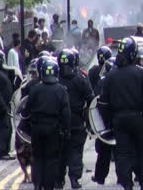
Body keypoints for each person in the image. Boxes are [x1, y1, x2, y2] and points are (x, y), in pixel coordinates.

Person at [99, 37, 143, 190]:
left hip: (118, 120)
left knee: (123, 153)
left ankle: (126, 184)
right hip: (138, 118)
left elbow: (103, 102)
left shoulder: (110, 75)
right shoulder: (140, 73)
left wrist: (108, 121)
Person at [21, 59, 71, 190]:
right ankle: (48, 186)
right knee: (51, 159)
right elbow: (66, 113)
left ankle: (37, 185)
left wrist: (24, 127)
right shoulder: (61, 90)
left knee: (38, 158)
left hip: (37, 129)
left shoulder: (35, 89)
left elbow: (26, 111)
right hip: (53, 129)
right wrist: (66, 130)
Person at [56, 49, 94, 189]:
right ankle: (74, 179)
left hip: (59, 121)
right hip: (76, 120)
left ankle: (58, 179)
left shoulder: (55, 78)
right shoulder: (81, 78)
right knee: (76, 151)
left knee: (60, 151)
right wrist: (90, 121)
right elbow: (91, 99)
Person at [91, 57, 116, 185]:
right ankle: (123, 177)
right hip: (116, 120)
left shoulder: (101, 82)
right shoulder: (118, 81)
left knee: (103, 152)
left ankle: (100, 177)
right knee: (121, 151)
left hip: (103, 122)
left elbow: (94, 101)